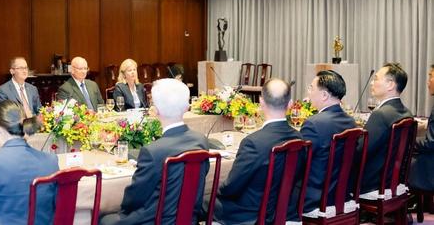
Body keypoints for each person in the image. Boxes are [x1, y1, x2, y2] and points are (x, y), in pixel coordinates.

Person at [100, 78, 209, 225]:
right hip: (189, 218)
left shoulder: (153, 151)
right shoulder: (201, 140)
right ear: (186, 107)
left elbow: (134, 198)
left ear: (155, 110)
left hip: (156, 220)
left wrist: (123, 213)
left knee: (105, 219)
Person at [214, 79, 302, 224]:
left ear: (261, 102)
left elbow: (231, 187)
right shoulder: (300, 138)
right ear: (290, 104)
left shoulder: (253, 142)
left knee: (202, 201)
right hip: (285, 210)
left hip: (252, 214)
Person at [301, 70, 356, 214]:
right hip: (342, 194)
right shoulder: (351, 122)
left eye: (311, 88)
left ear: (324, 95)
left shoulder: (313, 124)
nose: (308, 92)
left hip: (314, 199)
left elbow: (300, 164)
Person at [360, 62, 413, 194]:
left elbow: (361, 150)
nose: (372, 83)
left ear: (390, 85)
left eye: (376, 79)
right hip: (391, 179)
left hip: (372, 182)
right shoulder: (407, 112)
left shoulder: (381, 114)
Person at [409, 64, 434, 191]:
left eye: (431, 76)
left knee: (398, 163)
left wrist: (409, 142)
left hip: (430, 167)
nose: (428, 81)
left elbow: (430, 143)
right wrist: (426, 125)